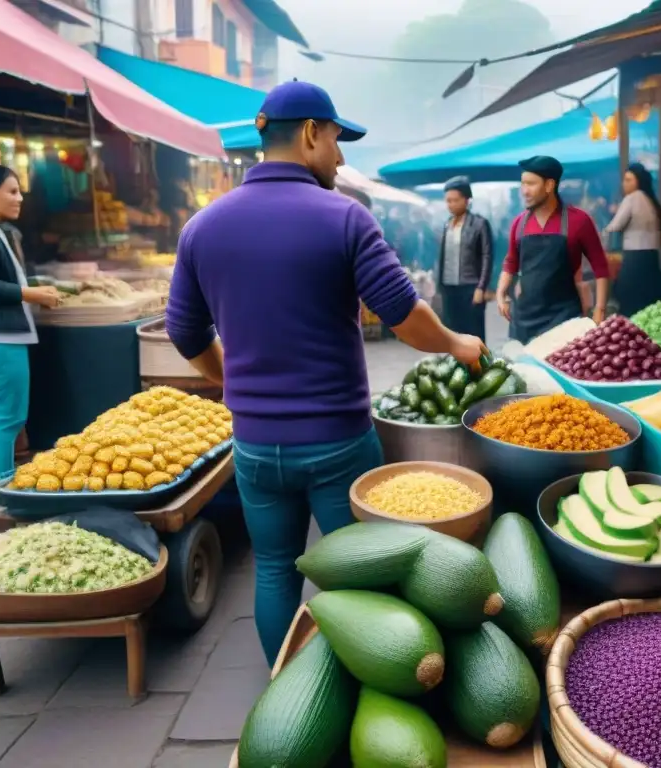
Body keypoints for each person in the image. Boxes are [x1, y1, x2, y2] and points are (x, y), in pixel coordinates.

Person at [165, 81, 486, 663]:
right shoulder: (345, 218)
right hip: (337, 441)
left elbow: (184, 332)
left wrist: (231, 381)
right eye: (337, 140)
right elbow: (406, 319)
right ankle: (353, 687)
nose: (340, 157)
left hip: (257, 446)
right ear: (312, 133)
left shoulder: (201, 227)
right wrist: (457, 342)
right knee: (356, 574)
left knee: (273, 569)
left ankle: (285, 684)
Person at [0, 164, 60, 478]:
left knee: (6, 417)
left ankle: (4, 484)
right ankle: (3, 488)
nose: (20, 198)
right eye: (12, 191)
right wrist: (32, 295)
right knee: (2, 419)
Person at [496, 156, 610, 344]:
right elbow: (510, 265)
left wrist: (599, 311)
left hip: (563, 317)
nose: (524, 191)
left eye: (531, 184)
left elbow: (601, 268)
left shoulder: (579, 221)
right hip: (524, 319)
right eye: (523, 184)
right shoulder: (519, 223)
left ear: (549, 185)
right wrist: (501, 294)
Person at [603, 163, 661, 316]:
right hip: (651, 259)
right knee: (646, 304)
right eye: (624, 180)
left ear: (639, 181)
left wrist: (601, 233)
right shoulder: (651, 201)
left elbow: (615, 226)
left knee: (629, 302)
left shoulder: (631, 199)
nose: (624, 184)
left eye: (629, 180)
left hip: (635, 259)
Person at [436, 176, 492, 343]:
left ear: (467, 200)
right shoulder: (447, 224)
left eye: (455, 200)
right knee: (452, 332)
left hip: (470, 287)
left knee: (473, 333)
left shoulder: (479, 224)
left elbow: (487, 256)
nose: (451, 204)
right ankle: (455, 366)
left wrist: (481, 287)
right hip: (449, 288)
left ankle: (477, 367)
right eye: (448, 201)